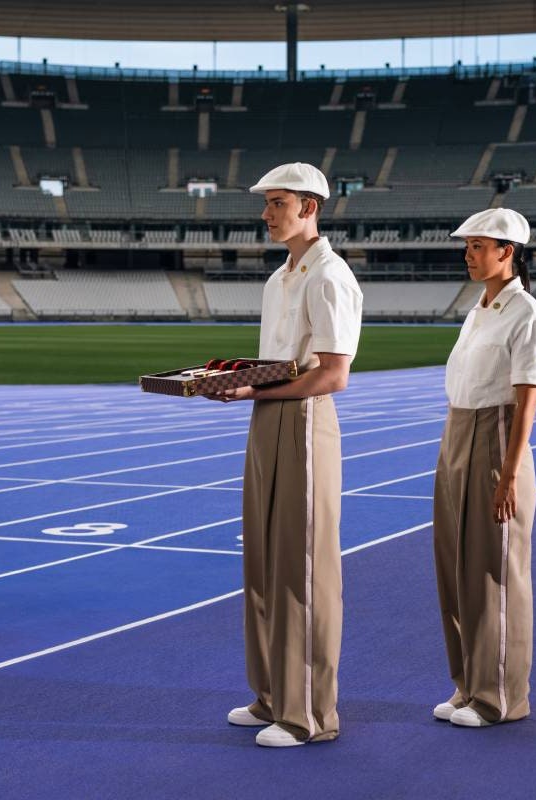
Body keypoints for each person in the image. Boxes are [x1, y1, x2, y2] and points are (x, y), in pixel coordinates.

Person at [206, 162, 362, 747]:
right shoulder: (279, 279)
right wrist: (232, 378)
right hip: (266, 418)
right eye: (267, 204)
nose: (267, 214)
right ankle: (271, 694)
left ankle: (310, 715)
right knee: (264, 563)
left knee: (303, 568)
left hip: (303, 421)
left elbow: (333, 375)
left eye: (277, 203)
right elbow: (280, 362)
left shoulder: (330, 276)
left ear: (310, 207)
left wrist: (256, 388)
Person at [431, 207, 536, 727]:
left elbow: (526, 401)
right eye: (468, 246)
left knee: (494, 572)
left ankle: (501, 696)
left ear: (507, 252)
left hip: (495, 436)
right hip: (457, 431)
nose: (469, 254)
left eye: (478, 246)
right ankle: (468, 683)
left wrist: (508, 474)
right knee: (456, 569)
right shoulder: (479, 309)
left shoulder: (526, 314)